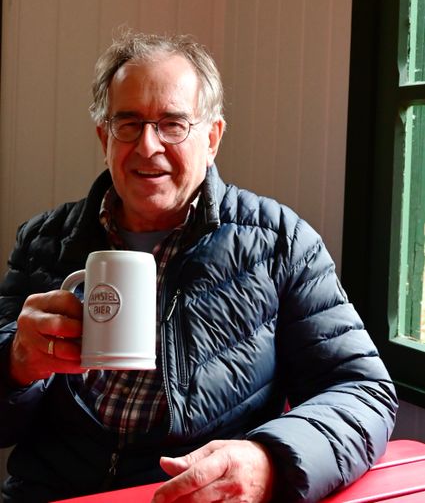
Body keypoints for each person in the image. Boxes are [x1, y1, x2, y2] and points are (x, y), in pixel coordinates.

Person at [0, 30, 397, 503]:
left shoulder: (280, 243)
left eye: (173, 124)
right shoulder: (44, 241)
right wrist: (14, 365)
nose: (148, 146)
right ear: (105, 138)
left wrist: (270, 460)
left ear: (212, 139)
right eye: (128, 124)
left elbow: (362, 391)